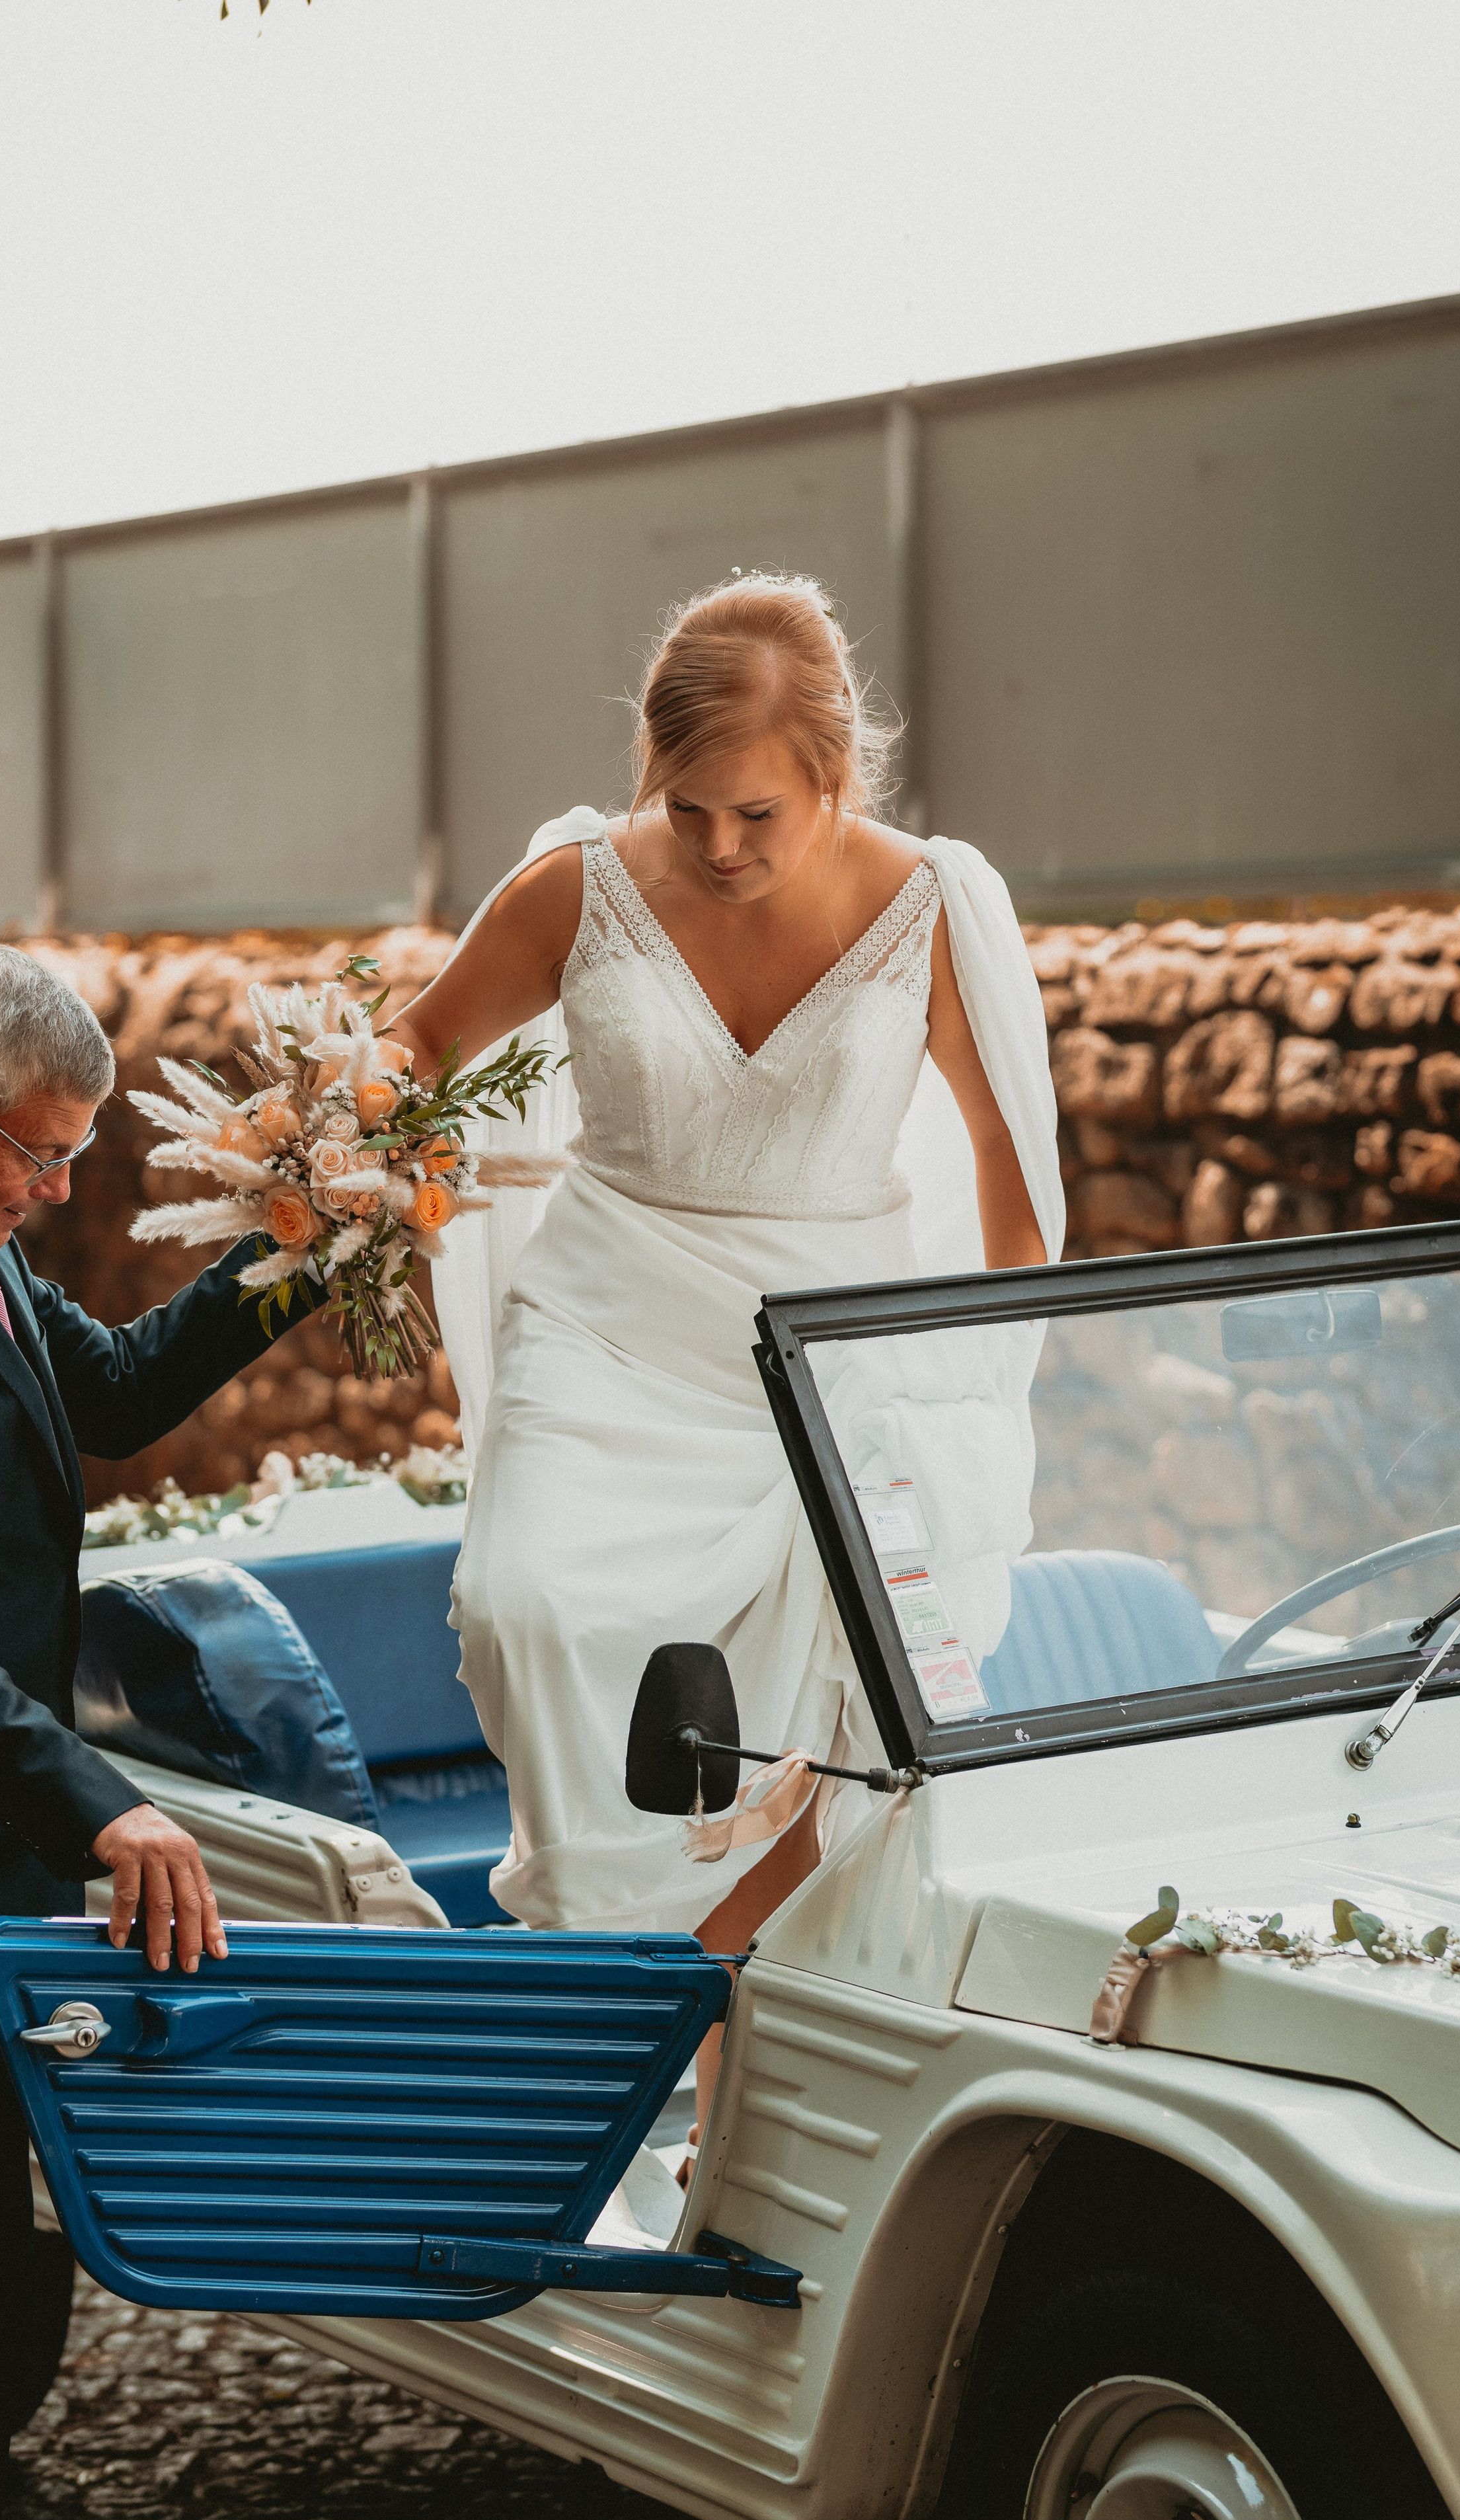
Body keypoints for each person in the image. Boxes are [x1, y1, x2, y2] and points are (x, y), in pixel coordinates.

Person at [388, 574, 1065, 2074]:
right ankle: (591, 1966)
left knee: (856, 1717)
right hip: (606, 1325)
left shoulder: (935, 909)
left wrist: (959, 1401)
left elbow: (1017, 1205)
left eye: (756, 812)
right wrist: (361, 1143)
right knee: (522, 1610)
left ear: (833, 774)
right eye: (688, 807)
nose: (717, 846)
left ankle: (705, 2014)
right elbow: (415, 1045)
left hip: (832, 1369)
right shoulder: (578, 882)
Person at [0, 942, 312, 2520]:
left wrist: (308, 1251)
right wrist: (100, 1806)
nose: (62, 1187)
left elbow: (114, 1392)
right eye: (45, 1153)